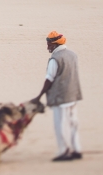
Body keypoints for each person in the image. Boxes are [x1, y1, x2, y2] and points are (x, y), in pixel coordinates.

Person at [34, 31, 83, 162]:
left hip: (61, 97)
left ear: (55, 44)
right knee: (73, 123)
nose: (47, 47)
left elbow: (49, 79)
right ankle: (76, 149)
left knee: (61, 125)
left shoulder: (55, 59)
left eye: (49, 44)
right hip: (73, 94)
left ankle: (65, 151)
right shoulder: (73, 55)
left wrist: (38, 96)